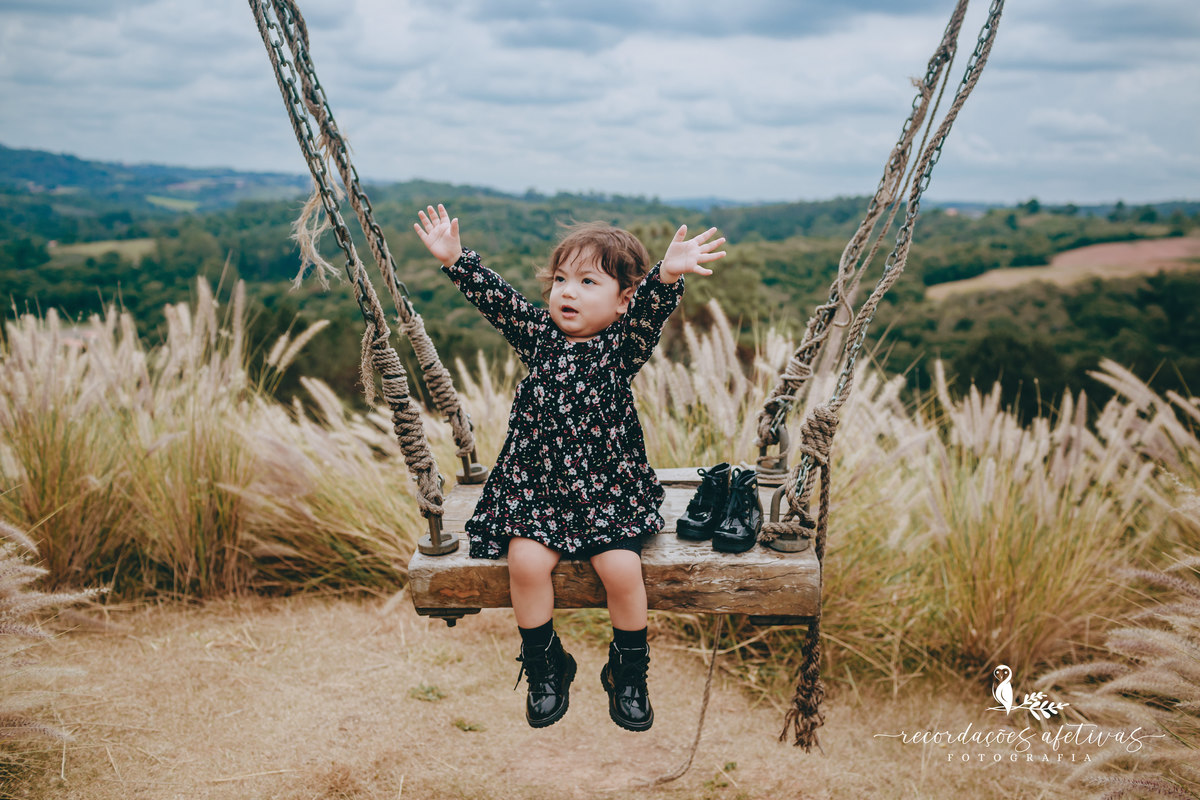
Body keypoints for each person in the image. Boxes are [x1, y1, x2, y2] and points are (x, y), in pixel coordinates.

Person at [414, 204, 725, 731]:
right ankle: (545, 664)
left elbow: (650, 310)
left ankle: (628, 671)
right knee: (525, 563)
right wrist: (456, 260)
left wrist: (667, 275)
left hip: (607, 493)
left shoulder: (621, 347)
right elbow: (498, 301)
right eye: (560, 279)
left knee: (621, 569)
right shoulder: (539, 337)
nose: (568, 292)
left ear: (623, 300)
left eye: (587, 281)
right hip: (536, 490)